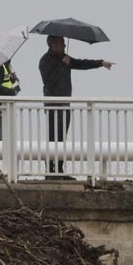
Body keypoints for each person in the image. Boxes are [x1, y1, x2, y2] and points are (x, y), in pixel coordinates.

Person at [39, 35, 114, 178]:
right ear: (53, 45)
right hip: (53, 105)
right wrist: (63, 64)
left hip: (65, 104)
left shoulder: (64, 58)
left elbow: (81, 63)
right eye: (62, 44)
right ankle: (50, 171)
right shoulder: (45, 61)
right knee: (53, 139)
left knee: (62, 139)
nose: (64, 46)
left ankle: (59, 171)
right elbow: (49, 82)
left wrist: (101, 63)